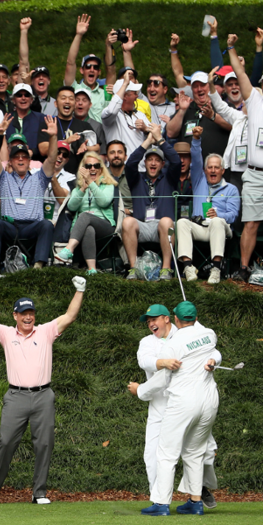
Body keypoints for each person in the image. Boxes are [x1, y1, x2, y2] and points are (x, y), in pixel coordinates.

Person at [0, 275, 86, 504]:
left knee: (44, 443)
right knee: (5, 441)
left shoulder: (45, 331)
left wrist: (80, 290)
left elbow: (69, 316)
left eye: (31, 313)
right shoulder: (5, 333)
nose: (28, 317)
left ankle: (39, 493)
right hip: (16, 396)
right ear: (15, 316)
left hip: (43, 395)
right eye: (23, 314)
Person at [128, 302, 219, 516]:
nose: (151, 323)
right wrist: (213, 358)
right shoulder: (209, 334)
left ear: (173, 319)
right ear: (196, 318)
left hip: (182, 402)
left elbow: (163, 379)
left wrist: (140, 390)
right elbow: (212, 350)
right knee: (194, 452)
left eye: (154, 319)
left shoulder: (174, 343)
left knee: (166, 453)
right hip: (209, 401)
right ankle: (195, 502)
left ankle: (161, 504)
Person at [0, 115, 59, 276]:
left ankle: (37, 268)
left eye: (24, 157)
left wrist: (53, 137)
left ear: (29, 160)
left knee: (46, 224)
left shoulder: (39, 178)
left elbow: (52, 159)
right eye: (16, 157)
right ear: (10, 161)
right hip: (10, 226)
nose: (20, 159)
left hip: (33, 226)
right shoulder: (3, 179)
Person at [175, 127, 240, 285]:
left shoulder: (231, 189)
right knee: (182, 222)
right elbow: (196, 159)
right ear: (204, 170)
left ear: (222, 170)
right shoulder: (199, 181)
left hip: (220, 228)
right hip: (200, 226)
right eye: (209, 167)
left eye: (216, 167)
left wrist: (219, 215)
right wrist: (196, 140)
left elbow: (234, 214)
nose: (212, 170)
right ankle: (188, 267)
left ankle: (216, 269)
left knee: (218, 222)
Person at [225, 34, 263, 282]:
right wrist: (230, 47)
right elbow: (240, 73)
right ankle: (244, 268)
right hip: (255, 173)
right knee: (250, 223)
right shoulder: (255, 101)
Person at [122, 124, 181, 280]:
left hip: (162, 227)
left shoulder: (169, 178)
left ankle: (166, 269)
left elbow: (176, 162)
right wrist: (148, 141)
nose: (153, 163)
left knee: (167, 221)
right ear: (145, 163)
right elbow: (130, 164)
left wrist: (160, 139)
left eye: (157, 160)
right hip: (141, 226)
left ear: (162, 164)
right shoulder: (137, 178)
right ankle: (133, 269)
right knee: (127, 222)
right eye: (150, 160)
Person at [55, 153, 119, 274]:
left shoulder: (109, 185)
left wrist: (91, 184)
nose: (92, 168)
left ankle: (69, 249)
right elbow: (71, 207)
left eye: (96, 165)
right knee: (88, 228)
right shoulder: (78, 188)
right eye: (88, 166)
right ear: (83, 169)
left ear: (101, 168)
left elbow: (104, 202)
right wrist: (83, 189)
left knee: (84, 215)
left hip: (105, 227)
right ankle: (92, 269)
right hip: (83, 230)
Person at [37, 86, 95, 175]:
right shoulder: (48, 123)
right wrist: (66, 142)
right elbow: (43, 150)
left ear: (75, 103)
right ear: (56, 103)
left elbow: (97, 148)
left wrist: (87, 148)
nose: (67, 101)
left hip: (78, 177)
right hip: (51, 176)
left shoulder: (85, 125)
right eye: (63, 98)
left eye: (71, 99)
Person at [63, 14, 110, 123]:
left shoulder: (105, 93)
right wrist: (79, 35)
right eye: (88, 66)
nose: (92, 69)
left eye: (95, 67)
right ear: (82, 70)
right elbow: (70, 63)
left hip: (99, 137)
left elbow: (111, 70)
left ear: (99, 72)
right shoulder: (73, 88)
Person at [101, 76, 150, 157]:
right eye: (134, 93)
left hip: (140, 167)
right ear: (124, 96)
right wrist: (124, 85)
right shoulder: (109, 114)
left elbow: (156, 139)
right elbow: (112, 110)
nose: (137, 96)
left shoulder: (140, 115)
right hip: (118, 166)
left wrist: (145, 129)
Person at [106, 140, 132, 214]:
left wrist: (129, 212)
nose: (116, 155)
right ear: (107, 158)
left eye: (120, 152)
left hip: (130, 217)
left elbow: (140, 203)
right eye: (112, 152)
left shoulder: (133, 175)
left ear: (125, 157)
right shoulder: (101, 176)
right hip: (107, 217)